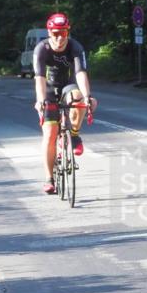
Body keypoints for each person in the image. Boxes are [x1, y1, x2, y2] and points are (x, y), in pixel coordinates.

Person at [33, 12, 96, 195]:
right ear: (49, 32)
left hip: (68, 85)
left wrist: (87, 96)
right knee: (50, 134)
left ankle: (74, 134)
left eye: (63, 33)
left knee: (78, 99)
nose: (60, 38)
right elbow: (39, 78)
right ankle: (49, 178)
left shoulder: (75, 47)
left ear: (68, 32)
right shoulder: (41, 49)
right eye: (55, 33)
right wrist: (40, 100)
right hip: (49, 89)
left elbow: (81, 73)